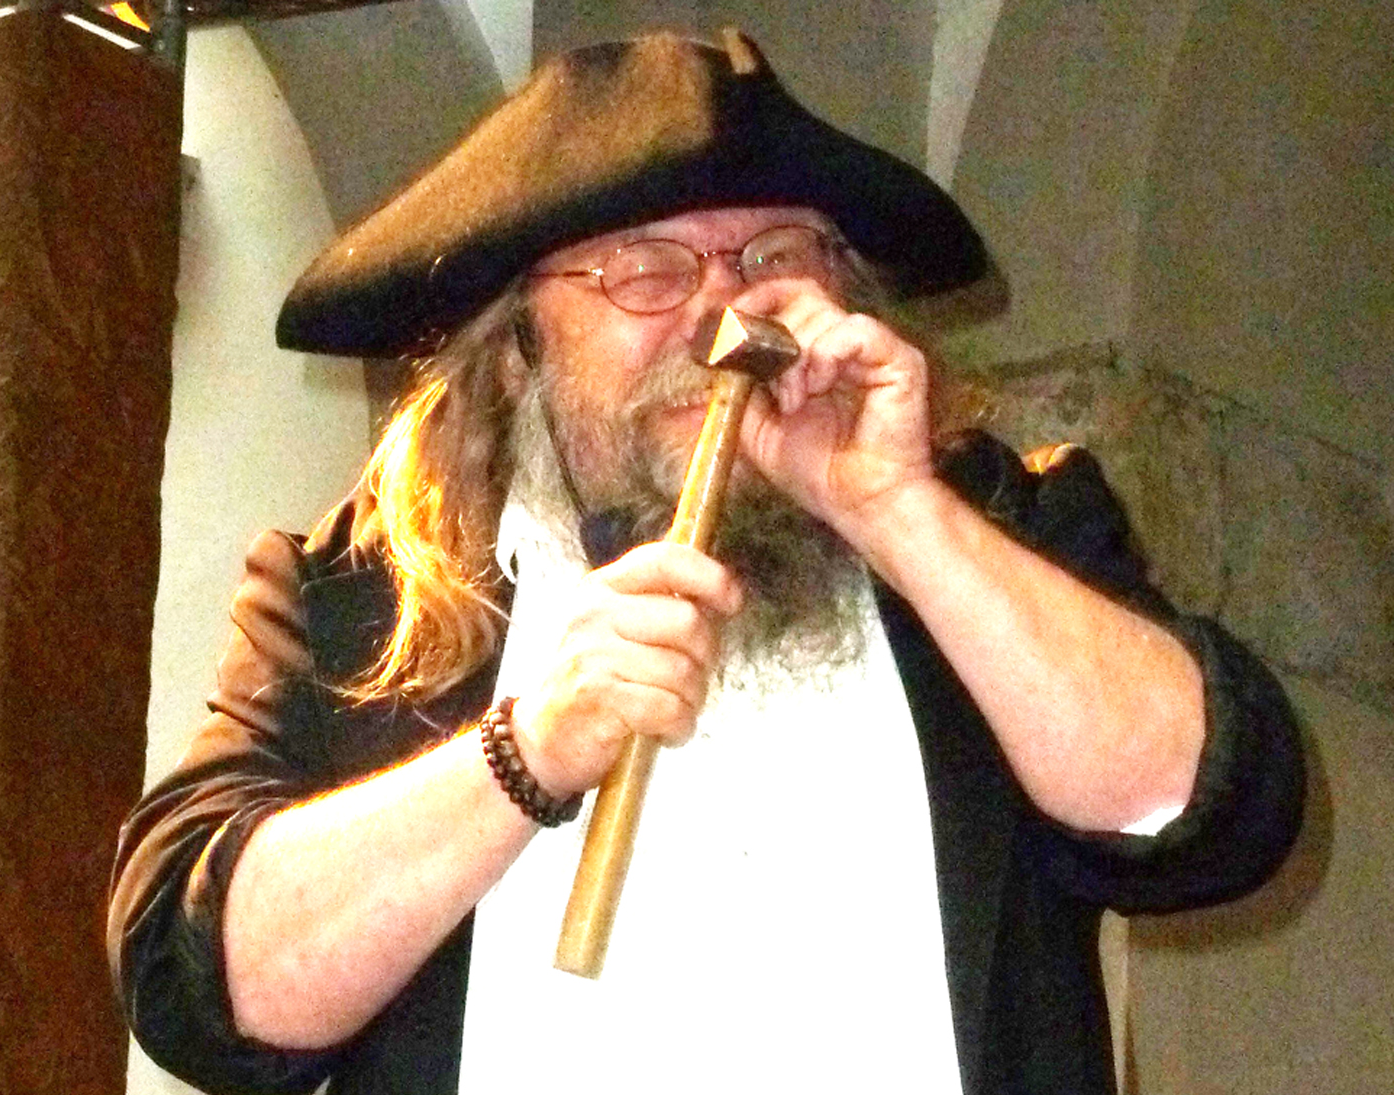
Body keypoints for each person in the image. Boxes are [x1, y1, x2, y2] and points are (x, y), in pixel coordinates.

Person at [107, 29, 1303, 1095]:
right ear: (517, 342)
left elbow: (1213, 812)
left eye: (776, 257)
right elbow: (199, 991)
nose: (727, 318)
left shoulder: (993, 528)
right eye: (648, 270)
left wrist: (898, 512)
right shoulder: (360, 597)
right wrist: (525, 752)